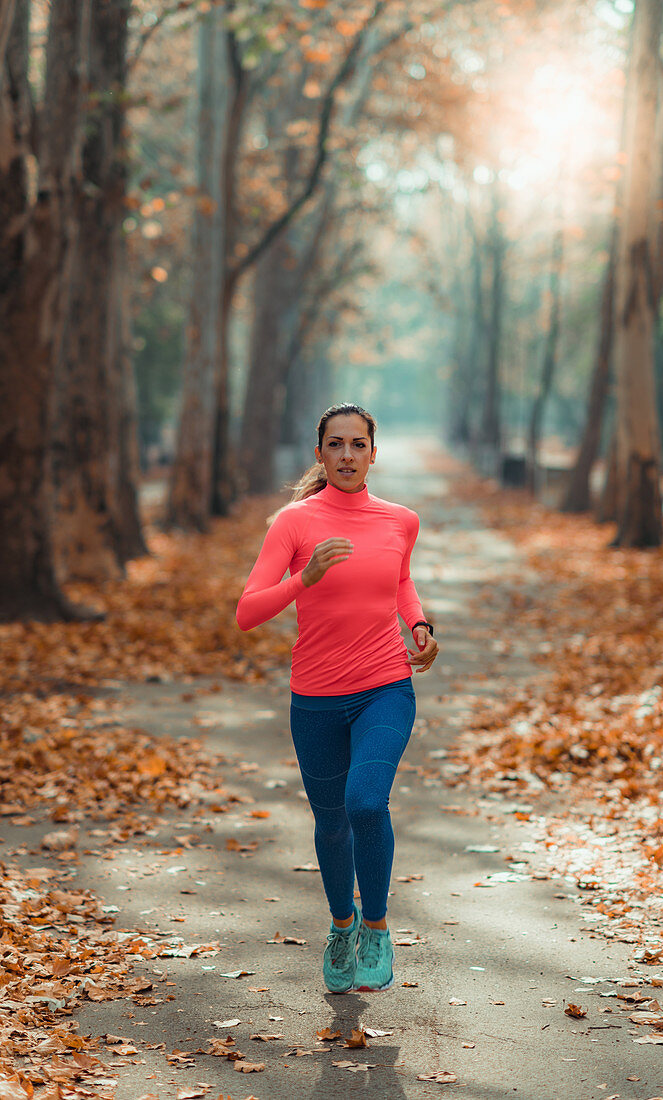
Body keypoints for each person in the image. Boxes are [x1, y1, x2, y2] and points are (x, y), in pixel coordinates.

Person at [235, 402, 438, 994]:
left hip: (385, 684)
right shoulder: (294, 523)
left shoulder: (401, 519)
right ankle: (342, 926)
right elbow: (248, 611)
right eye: (335, 445)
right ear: (319, 454)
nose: (347, 455)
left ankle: (375, 928)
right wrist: (304, 580)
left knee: (366, 804)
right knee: (330, 822)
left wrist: (418, 624)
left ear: (374, 453)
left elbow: (400, 579)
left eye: (358, 444)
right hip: (316, 695)